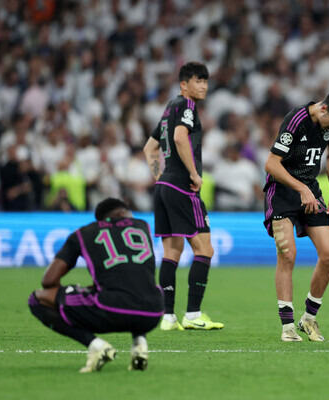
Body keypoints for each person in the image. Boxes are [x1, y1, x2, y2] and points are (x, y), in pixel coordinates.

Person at [28, 198, 164, 372]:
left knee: (37, 299)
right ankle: (140, 344)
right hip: (153, 313)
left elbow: (48, 281)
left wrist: (78, 291)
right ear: (122, 213)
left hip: (111, 309)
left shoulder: (84, 233)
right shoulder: (142, 226)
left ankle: (96, 346)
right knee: (143, 286)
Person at [263, 90, 329, 342]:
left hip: (310, 190)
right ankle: (287, 327)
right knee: (288, 254)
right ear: (323, 109)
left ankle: (308, 319)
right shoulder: (296, 120)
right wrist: (301, 188)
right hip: (282, 191)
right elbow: (271, 164)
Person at [143, 62, 223, 331]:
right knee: (205, 250)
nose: (203, 85)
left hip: (164, 187)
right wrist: (193, 174)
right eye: (197, 80)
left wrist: (160, 178)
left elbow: (150, 147)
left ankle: (167, 317)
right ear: (184, 84)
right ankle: (193, 314)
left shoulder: (169, 108)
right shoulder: (187, 106)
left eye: (205, 81)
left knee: (171, 252)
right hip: (183, 188)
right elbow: (179, 138)